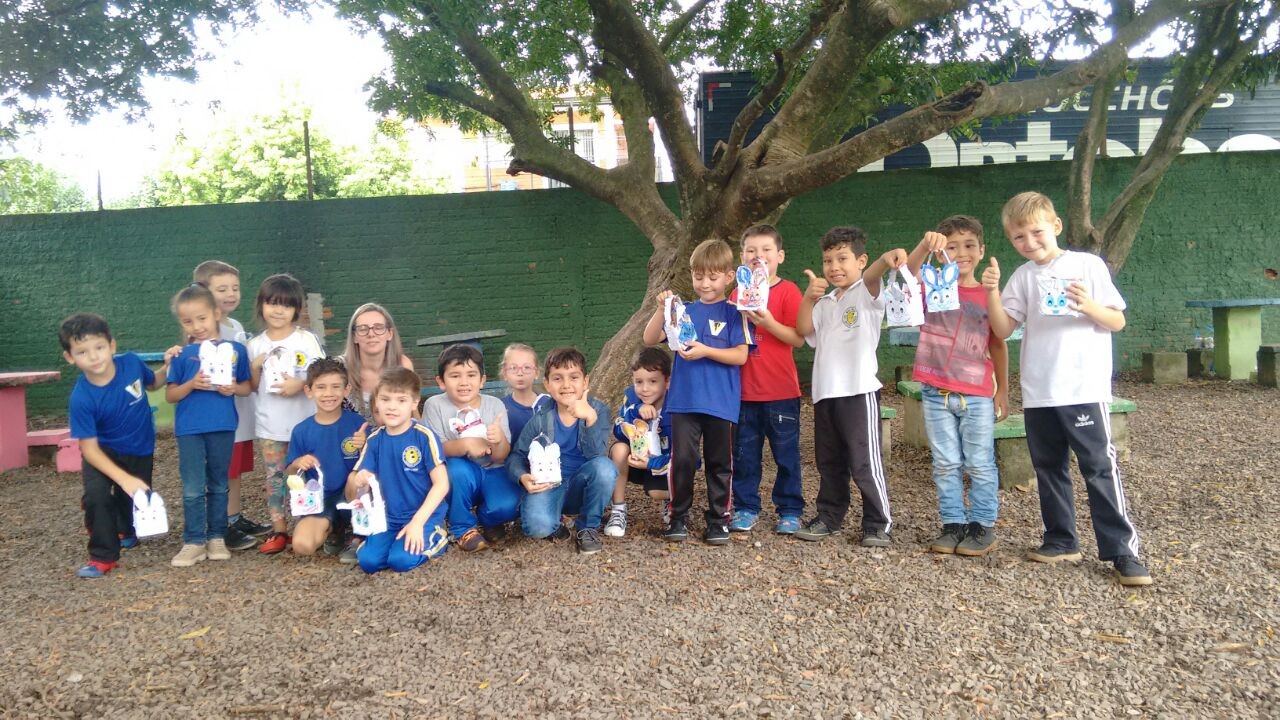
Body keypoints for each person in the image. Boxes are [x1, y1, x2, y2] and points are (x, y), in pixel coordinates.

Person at [984, 191, 1151, 587]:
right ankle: (1061, 540)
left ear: (1056, 226)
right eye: (1019, 237)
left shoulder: (1086, 265)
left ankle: (1122, 551)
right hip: (1040, 390)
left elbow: (1116, 321)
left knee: (1098, 467)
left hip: (1082, 388)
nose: (1029, 242)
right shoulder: (1023, 277)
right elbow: (1003, 329)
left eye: (1037, 232)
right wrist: (991, 292)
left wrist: (1089, 306)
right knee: (1048, 467)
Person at [904, 217, 1009, 556]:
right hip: (936, 392)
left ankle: (982, 526)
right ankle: (952, 524)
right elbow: (906, 274)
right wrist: (924, 245)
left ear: (982, 250)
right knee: (945, 463)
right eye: (951, 246)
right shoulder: (930, 288)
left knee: (979, 463)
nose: (961, 253)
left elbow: (998, 342)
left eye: (969, 245)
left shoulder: (988, 294)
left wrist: (1003, 390)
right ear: (940, 253)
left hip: (977, 395)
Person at [794, 227, 905, 546]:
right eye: (828, 260)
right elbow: (803, 329)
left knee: (864, 461)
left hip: (858, 392)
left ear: (861, 260)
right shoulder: (825, 302)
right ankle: (829, 517)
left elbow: (872, 276)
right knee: (829, 462)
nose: (834, 267)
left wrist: (885, 260)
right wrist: (809, 296)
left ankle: (878, 523)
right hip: (825, 394)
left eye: (842, 259)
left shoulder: (866, 292)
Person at [642, 238, 750, 545]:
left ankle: (718, 520)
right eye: (698, 276)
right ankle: (678, 516)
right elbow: (650, 338)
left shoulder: (735, 312)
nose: (704, 283)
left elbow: (740, 356)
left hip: (721, 404)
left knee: (719, 463)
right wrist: (661, 309)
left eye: (712, 277)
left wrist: (705, 350)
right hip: (684, 403)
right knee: (683, 461)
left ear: (728, 277)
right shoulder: (683, 311)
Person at [60, 313, 170, 578]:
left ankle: (125, 529)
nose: (94, 356)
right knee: (98, 497)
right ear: (70, 357)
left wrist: (170, 365)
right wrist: (123, 478)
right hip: (102, 452)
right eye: (83, 352)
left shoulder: (131, 363)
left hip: (140, 448)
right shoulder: (81, 398)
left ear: (112, 345)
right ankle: (102, 556)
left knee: (131, 499)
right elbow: (89, 449)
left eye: (99, 347)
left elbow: (154, 382)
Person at [727, 224, 807, 535]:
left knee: (786, 455)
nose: (758, 256)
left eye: (766, 250)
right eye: (751, 250)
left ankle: (790, 510)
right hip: (743, 393)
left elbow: (797, 338)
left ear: (780, 256)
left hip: (781, 392)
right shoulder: (736, 293)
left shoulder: (788, 291)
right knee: (744, 455)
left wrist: (768, 322)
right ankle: (746, 507)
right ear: (742, 257)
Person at [165, 284, 251, 567]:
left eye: (202, 318)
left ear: (215, 314)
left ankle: (216, 537)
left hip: (223, 426)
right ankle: (193, 541)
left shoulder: (236, 351)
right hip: (189, 430)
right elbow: (171, 394)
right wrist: (191, 384)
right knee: (192, 487)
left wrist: (232, 388)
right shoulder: (181, 354)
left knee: (219, 484)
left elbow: (247, 387)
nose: (197, 326)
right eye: (188, 321)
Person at [506, 347, 616, 555]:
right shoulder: (541, 418)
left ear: (585, 382)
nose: (566, 385)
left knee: (605, 468)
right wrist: (522, 476)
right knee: (537, 527)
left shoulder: (598, 410)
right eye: (557, 378)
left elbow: (595, 454)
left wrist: (590, 419)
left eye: (574, 377)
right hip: (550, 484)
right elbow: (516, 456)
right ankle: (556, 523)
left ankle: (587, 527)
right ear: (547, 384)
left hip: (581, 484)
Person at [246, 273, 326, 555]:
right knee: (276, 478)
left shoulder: (306, 340)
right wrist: (254, 367)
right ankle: (279, 530)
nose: (278, 310)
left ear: (296, 309)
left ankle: (310, 522)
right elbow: (251, 387)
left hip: (305, 426)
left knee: (308, 475)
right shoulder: (254, 345)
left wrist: (300, 384)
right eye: (272, 303)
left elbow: (321, 375)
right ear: (261, 305)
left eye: (286, 304)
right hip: (271, 427)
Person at [346, 367, 450, 574]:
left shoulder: (424, 436)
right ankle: (389, 542)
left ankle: (438, 536)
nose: (392, 407)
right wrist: (359, 481)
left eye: (401, 400)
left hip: (422, 516)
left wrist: (418, 522)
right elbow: (357, 487)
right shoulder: (374, 440)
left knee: (400, 561)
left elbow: (442, 484)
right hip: (389, 518)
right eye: (385, 399)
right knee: (368, 562)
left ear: (414, 403)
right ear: (376, 402)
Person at [194, 260, 266, 550]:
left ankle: (233, 517)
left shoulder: (234, 325)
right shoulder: (203, 330)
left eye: (235, 288)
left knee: (235, 470)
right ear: (203, 291)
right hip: (221, 413)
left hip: (241, 410)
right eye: (222, 288)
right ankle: (219, 525)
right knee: (222, 471)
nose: (231, 294)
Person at [422, 343, 518, 552]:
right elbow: (433, 450)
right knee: (456, 470)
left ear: (482, 380)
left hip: (493, 470)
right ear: (441, 382)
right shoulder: (434, 405)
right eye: (455, 376)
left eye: (471, 375)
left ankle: (487, 519)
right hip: (458, 475)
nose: (464, 382)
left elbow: (501, 456)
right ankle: (462, 527)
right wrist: (465, 445)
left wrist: (499, 441)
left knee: (509, 506)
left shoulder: (494, 405)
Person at [281, 358, 367, 556]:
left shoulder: (357, 424)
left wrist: (365, 446)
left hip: (352, 495)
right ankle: (335, 528)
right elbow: (291, 472)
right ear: (308, 391)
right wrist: (298, 463)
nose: (329, 393)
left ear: (346, 390)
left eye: (336, 387)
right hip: (320, 498)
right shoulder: (302, 430)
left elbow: (373, 464)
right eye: (321, 387)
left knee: (355, 478)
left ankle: (359, 533)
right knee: (302, 545)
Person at [603, 347, 672, 538]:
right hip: (635, 461)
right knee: (619, 449)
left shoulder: (676, 406)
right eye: (639, 382)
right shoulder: (632, 398)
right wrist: (635, 413)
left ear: (667, 381)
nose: (645, 389)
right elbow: (618, 429)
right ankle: (618, 510)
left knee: (657, 493)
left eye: (653, 381)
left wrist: (651, 463)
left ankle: (675, 501)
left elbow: (685, 455)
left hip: (662, 464)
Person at [337, 303, 415, 423]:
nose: (371, 334)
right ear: (354, 336)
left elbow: (412, 413)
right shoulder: (339, 368)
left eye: (378, 328)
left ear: (390, 334)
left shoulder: (402, 365)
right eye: (363, 329)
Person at [499, 343, 544, 444]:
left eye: (527, 367)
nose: (520, 373)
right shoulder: (500, 407)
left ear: (537, 373)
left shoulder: (549, 404)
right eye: (513, 368)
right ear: (505, 373)